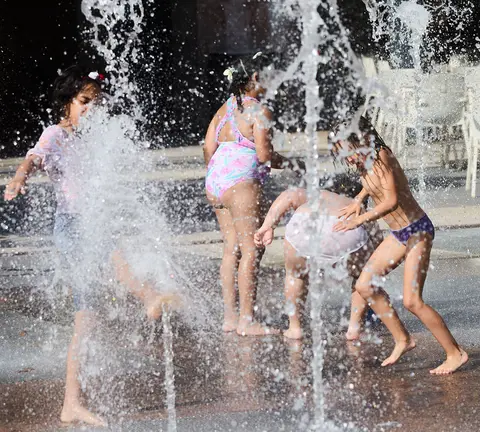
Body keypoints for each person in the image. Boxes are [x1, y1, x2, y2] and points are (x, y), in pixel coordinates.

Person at [3, 66, 180, 426]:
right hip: (72, 229)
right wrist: (20, 177)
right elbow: (34, 157)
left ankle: (71, 403)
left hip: (90, 227)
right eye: (84, 102)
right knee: (112, 255)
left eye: (95, 104)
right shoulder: (55, 134)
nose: (90, 110)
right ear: (67, 101)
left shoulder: (91, 140)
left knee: (86, 321)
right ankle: (146, 296)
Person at [330, 116, 468, 375]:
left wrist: (360, 219)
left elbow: (391, 200)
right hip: (398, 234)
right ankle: (403, 339)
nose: (348, 160)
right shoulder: (365, 160)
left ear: (362, 140)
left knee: (412, 301)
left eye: (348, 153)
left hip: (417, 231)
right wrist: (360, 198)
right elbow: (373, 185)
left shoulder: (382, 157)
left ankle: (455, 353)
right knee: (363, 285)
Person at [203, 53, 300, 336]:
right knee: (251, 251)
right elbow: (264, 154)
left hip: (216, 182)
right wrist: (294, 163)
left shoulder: (224, 109)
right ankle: (248, 321)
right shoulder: (260, 111)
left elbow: (209, 148)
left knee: (230, 249)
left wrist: (220, 174)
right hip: (241, 184)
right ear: (256, 78)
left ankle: (230, 318)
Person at [253, 178, 388, 340]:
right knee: (362, 275)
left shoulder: (320, 194)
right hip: (347, 231)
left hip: (304, 227)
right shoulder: (362, 210)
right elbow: (379, 248)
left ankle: (295, 328)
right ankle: (354, 328)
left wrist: (267, 225)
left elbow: (288, 196)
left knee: (296, 275)